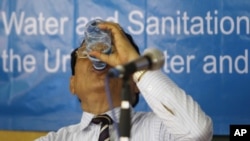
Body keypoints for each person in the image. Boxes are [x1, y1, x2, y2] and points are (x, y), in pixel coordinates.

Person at [35, 21, 213, 141]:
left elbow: (198, 132)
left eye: (111, 53)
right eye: (86, 52)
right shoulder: (58, 139)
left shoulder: (158, 129)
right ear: (72, 85)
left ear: (135, 83)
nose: (100, 57)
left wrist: (135, 63)